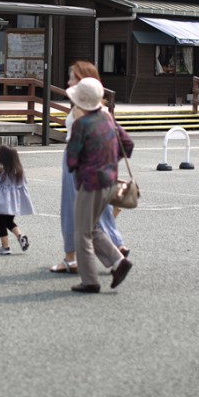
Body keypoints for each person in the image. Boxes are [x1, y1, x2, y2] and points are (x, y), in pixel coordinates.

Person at [50, 61, 129, 274]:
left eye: (72, 78)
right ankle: (116, 246)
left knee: (74, 212)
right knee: (99, 212)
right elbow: (124, 142)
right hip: (101, 166)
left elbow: (78, 144)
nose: (68, 82)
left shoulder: (82, 111)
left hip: (81, 165)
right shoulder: (101, 109)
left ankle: (73, 259)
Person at [65, 77, 134, 293]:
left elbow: (71, 160)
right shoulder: (108, 118)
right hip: (110, 182)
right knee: (92, 227)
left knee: (82, 233)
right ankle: (118, 261)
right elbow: (128, 144)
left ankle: (90, 281)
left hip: (90, 184)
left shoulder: (81, 124)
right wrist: (110, 161)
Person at [0, 145, 34, 255]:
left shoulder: (0, 171)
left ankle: (5, 246)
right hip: (13, 202)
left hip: (2, 202)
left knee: (0, 223)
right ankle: (20, 236)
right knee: (9, 221)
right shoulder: (19, 171)